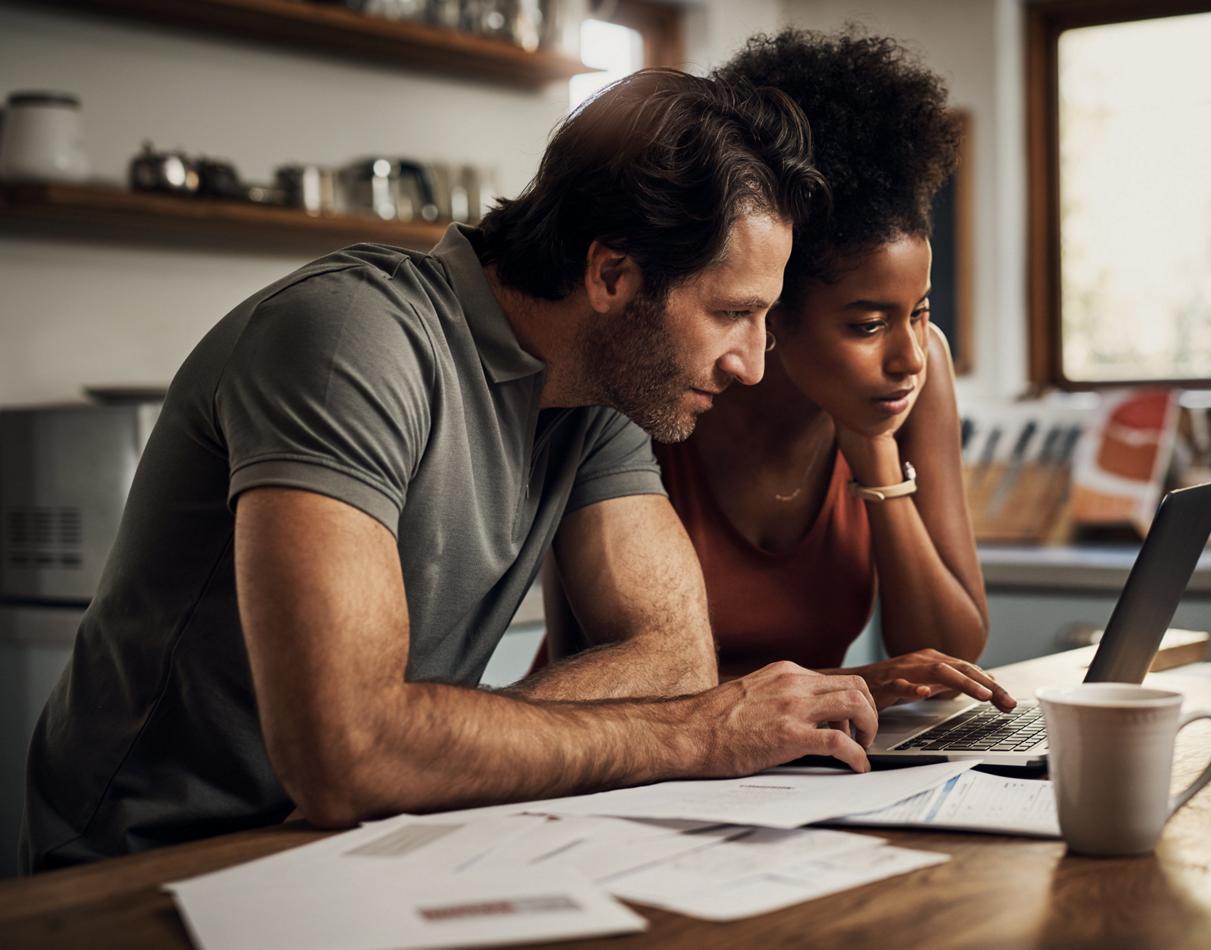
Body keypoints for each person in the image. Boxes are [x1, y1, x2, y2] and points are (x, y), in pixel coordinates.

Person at [20, 69, 882, 873]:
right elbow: (347, 753)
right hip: (150, 863)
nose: (754, 365)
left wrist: (431, 745)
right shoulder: (351, 339)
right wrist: (695, 737)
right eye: (733, 313)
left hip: (363, 844)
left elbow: (674, 658)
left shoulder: (600, 394)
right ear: (612, 273)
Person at [542, 32, 1016, 714]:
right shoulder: (655, 384)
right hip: (620, 769)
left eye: (919, 311)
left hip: (790, 771)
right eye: (866, 324)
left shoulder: (914, 376)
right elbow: (590, 676)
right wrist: (846, 686)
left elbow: (951, 653)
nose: (909, 356)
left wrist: (876, 459)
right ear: (772, 307)